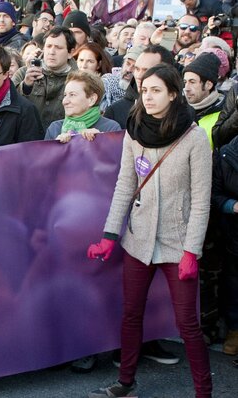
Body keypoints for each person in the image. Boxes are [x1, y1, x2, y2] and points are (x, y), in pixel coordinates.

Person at [87, 64, 211, 398]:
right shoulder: (135, 129)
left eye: (157, 90)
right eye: (145, 90)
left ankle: (204, 392)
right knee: (130, 313)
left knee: (187, 324)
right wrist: (109, 236)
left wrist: (191, 251)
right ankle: (126, 383)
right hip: (138, 239)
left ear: (173, 94)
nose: (149, 97)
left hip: (177, 242)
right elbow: (124, 186)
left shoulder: (193, 136)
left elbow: (201, 200)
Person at [13, 26, 78, 129]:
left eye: (58, 47)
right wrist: (26, 86)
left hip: (60, 140)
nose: (52, 52)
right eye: (48, 46)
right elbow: (9, 106)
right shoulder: (23, 73)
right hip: (26, 140)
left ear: (71, 52)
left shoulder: (79, 80)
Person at [211, 128, 238, 356]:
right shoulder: (226, 155)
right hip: (234, 235)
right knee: (234, 284)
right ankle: (235, 331)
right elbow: (215, 195)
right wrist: (233, 206)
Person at [45, 70, 121, 141]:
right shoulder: (55, 128)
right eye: (65, 95)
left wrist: (99, 141)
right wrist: (56, 147)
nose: (65, 101)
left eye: (72, 95)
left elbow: (116, 155)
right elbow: (44, 155)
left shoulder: (111, 128)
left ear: (91, 99)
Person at [183, 53, 225, 144]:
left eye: (192, 82)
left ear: (208, 85)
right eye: (185, 82)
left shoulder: (224, 114)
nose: (186, 88)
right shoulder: (178, 108)